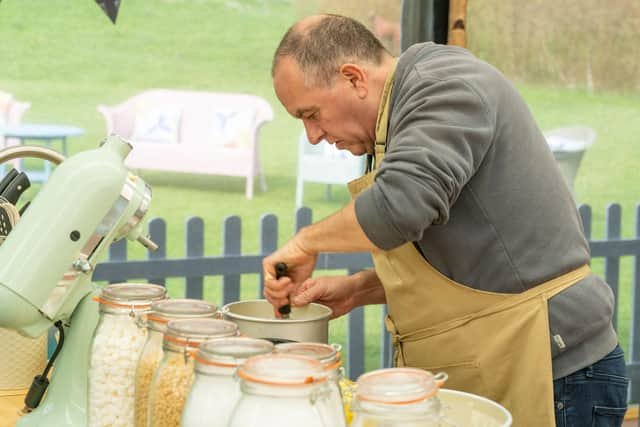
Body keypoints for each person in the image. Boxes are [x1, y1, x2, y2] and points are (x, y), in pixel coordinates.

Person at [263, 14, 628, 426]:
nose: (312, 135)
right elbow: (474, 258)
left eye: (311, 114)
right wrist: (357, 290)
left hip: (555, 372)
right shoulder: (395, 120)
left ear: (353, 78)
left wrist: (305, 242)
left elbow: (399, 207)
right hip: (499, 363)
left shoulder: (443, 86)